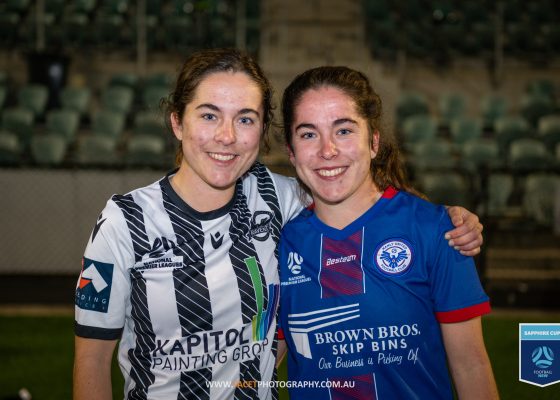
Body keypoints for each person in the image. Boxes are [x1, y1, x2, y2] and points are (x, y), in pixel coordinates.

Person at [73, 49, 484, 400]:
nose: (228, 136)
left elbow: (353, 186)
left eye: (246, 119)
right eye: (209, 115)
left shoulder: (279, 197)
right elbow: (91, 361)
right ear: (177, 122)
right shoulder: (123, 221)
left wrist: (446, 218)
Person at [278, 66, 499, 399]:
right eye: (309, 134)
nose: (327, 150)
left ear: (374, 142)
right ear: (291, 151)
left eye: (344, 131)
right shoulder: (281, 244)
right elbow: (260, 362)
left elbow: (471, 366)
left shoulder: (436, 230)